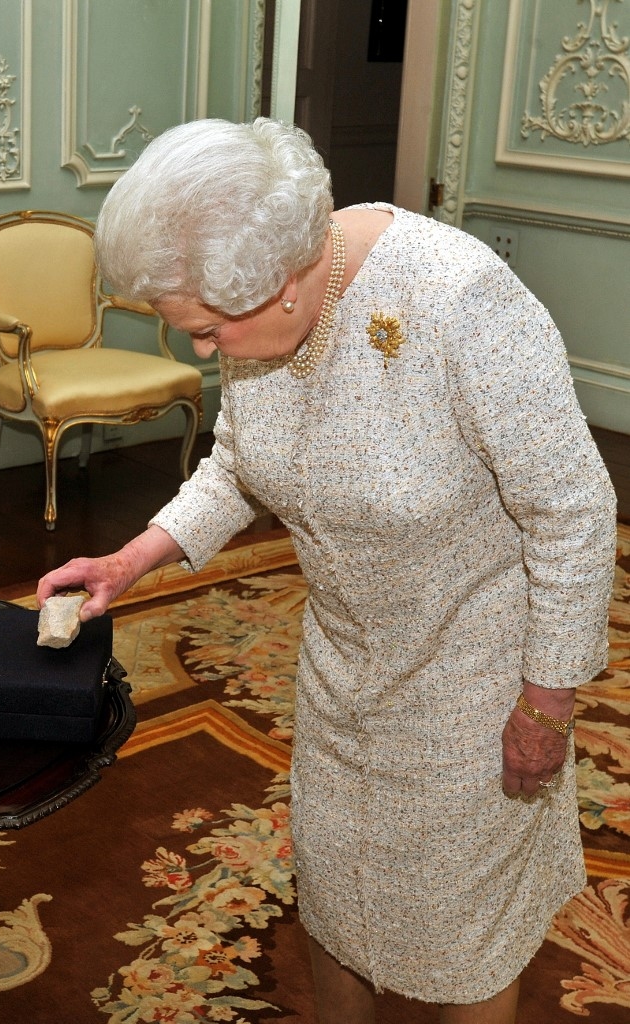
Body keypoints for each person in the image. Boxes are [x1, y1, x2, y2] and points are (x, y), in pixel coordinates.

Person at [37, 118, 617, 1023]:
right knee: (337, 900)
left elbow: (575, 512)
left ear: (282, 285)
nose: (201, 353)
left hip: (476, 686)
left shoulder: (460, 301)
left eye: (207, 332)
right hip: (339, 674)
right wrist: (134, 557)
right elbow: (239, 463)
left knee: (466, 936)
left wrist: (546, 705)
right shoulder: (257, 307)